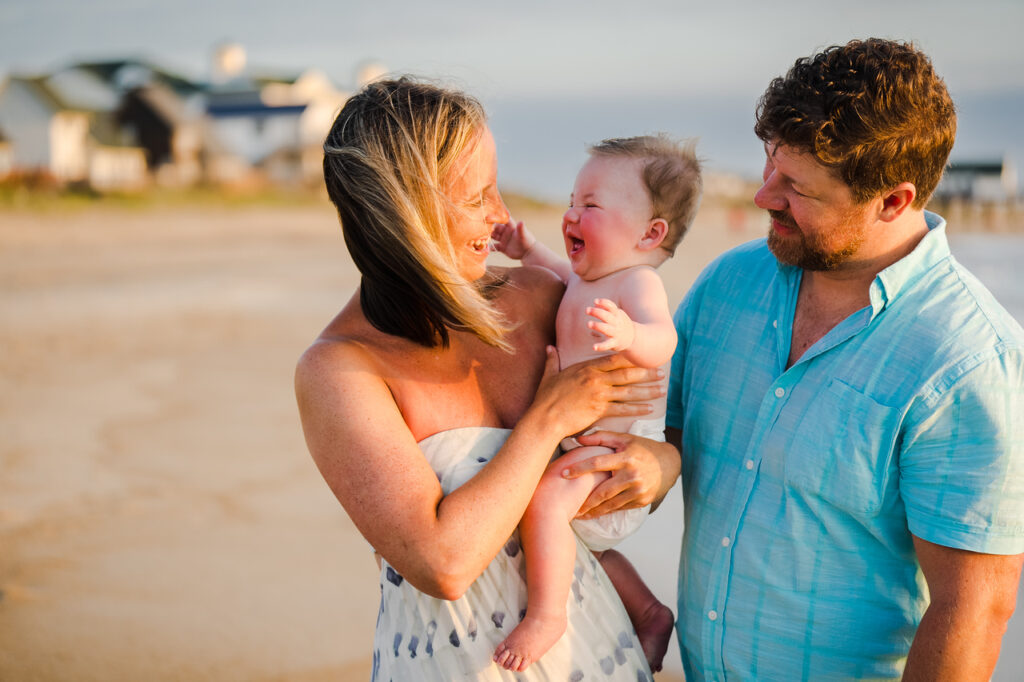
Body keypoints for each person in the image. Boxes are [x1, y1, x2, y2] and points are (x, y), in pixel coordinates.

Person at [294, 77, 680, 680]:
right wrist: (547, 417)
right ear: (407, 212)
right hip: (455, 663)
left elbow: (642, 415)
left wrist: (661, 466)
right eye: (478, 196)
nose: (501, 216)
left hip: (595, 648)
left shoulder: (540, 296)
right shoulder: (340, 369)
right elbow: (445, 563)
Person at [665, 38, 1024, 679]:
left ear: (893, 200)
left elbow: (972, 610)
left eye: (796, 186)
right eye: (769, 166)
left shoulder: (967, 361)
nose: (764, 197)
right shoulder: (725, 286)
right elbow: (660, 444)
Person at [489, 135, 701, 673]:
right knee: (583, 546)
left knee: (546, 506)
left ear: (650, 233)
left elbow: (664, 339)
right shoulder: (585, 278)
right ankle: (649, 612)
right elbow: (555, 270)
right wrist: (524, 251)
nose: (572, 214)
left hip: (619, 450)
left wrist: (630, 333)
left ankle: (547, 616)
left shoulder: (638, 283)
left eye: (591, 206)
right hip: (584, 442)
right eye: (571, 201)